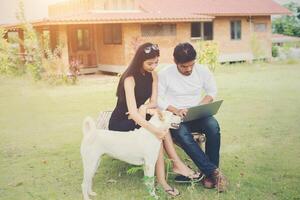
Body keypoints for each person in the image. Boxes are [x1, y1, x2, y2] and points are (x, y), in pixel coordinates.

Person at [108, 42, 201, 197]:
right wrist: (154, 130)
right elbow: (132, 112)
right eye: (149, 63)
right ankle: (164, 180)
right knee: (156, 134)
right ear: (140, 61)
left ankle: (175, 165)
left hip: (139, 115)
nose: (153, 66)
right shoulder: (129, 79)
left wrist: (145, 108)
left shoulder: (153, 75)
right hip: (122, 121)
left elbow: (154, 102)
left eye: (156, 62)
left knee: (161, 125)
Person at [157, 42, 228, 192]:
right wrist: (175, 109)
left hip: (197, 113)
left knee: (213, 127)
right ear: (176, 62)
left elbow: (211, 91)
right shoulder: (165, 74)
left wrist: (198, 107)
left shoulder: (202, 71)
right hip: (176, 117)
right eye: (184, 66)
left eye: (191, 65)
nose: (188, 69)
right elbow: (158, 99)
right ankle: (213, 173)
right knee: (182, 134)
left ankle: (209, 175)